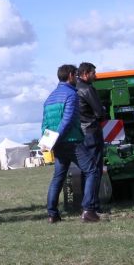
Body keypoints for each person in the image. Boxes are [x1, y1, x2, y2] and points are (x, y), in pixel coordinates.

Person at [41, 64, 100, 223]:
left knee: (58, 177)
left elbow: (45, 124)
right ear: (71, 75)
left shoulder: (50, 98)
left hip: (57, 144)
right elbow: (67, 120)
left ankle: (52, 214)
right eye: (76, 75)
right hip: (72, 141)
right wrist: (58, 137)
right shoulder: (71, 95)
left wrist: (48, 141)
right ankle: (88, 210)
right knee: (92, 170)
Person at [77, 62, 106, 213]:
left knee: (86, 170)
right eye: (94, 73)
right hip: (92, 132)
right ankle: (92, 205)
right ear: (86, 73)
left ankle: (87, 202)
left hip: (80, 133)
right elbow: (99, 112)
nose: (96, 75)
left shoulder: (74, 88)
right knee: (95, 170)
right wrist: (102, 112)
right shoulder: (87, 89)